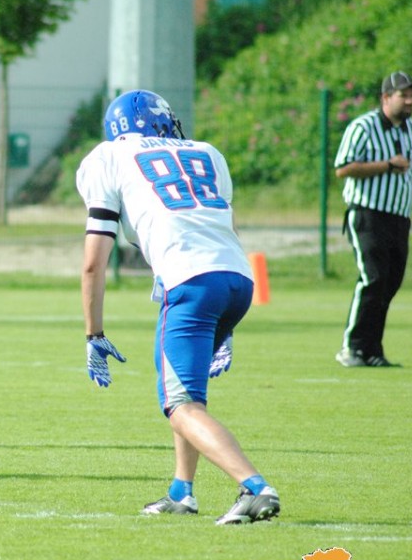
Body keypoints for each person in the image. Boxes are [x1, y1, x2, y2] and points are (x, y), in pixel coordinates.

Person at [78, 90, 280, 525]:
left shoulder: (108, 156)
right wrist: (226, 326)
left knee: (180, 404)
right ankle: (181, 491)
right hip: (237, 280)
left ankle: (254, 487)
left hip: (190, 283)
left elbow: (94, 262)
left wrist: (94, 333)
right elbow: (226, 229)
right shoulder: (207, 153)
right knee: (188, 392)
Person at [333, 71, 412, 368]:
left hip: (399, 218)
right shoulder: (363, 127)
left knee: (390, 282)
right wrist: (386, 165)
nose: (410, 101)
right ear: (386, 98)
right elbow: (343, 168)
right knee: (373, 277)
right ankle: (352, 348)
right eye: (404, 95)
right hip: (368, 213)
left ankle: (372, 350)